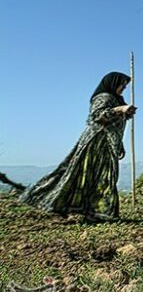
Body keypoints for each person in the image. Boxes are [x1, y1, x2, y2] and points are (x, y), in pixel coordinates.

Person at [20, 72, 136, 221]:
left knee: (105, 177)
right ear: (113, 83)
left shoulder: (117, 99)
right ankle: (73, 207)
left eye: (125, 86)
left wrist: (124, 116)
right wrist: (118, 110)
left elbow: (115, 124)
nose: (123, 88)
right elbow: (96, 117)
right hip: (95, 143)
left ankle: (99, 211)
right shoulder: (103, 97)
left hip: (108, 145)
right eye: (122, 85)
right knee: (83, 175)